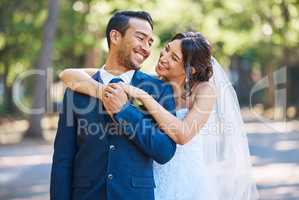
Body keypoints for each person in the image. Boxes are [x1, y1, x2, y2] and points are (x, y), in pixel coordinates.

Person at [60, 31, 259, 199]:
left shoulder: (204, 90)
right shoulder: (152, 82)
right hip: (153, 174)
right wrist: (101, 89)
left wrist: (143, 96)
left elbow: (182, 134)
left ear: (191, 69)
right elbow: (71, 74)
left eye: (174, 58)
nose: (163, 58)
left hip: (186, 176)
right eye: (166, 50)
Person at [50, 11, 178, 200]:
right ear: (115, 36)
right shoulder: (76, 90)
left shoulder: (159, 90)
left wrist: (125, 111)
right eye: (141, 38)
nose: (146, 48)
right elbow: (63, 159)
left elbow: (165, 151)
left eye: (150, 42)